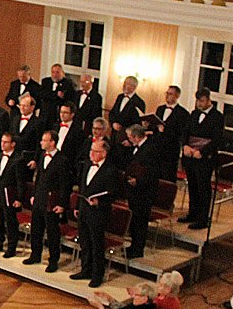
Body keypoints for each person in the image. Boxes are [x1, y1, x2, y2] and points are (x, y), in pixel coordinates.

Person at [71, 140, 119, 287]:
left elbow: (114, 194)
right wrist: (77, 206)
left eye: (95, 151)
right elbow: (82, 188)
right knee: (85, 243)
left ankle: (97, 275)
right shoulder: (86, 165)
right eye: (91, 150)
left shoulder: (111, 170)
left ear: (104, 153)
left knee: (97, 245)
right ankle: (85, 269)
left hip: (98, 213)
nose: (91, 153)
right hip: (84, 210)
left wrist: (99, 202)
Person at [179, 87, 224, 230]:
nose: (199, 104)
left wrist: (202, 152)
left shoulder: (218, 116)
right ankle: (192, 213)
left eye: (202, 101)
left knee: (203, 187)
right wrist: (185, 145)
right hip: (190, 156)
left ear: (209, 100)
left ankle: (203, 218)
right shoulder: (194, 114)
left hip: (205, 158)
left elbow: (217, 139)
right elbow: (185, 132)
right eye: (198, 101)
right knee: (192, 185)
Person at [27, 130, 70, 272]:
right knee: (36, 229)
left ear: (52, 142)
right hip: (39, 198)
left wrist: (62, 204)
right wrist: (34, 194)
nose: (41, 142)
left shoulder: (62, 160)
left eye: (44, 140)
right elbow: (38, 177)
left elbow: (65, 185)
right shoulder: (41, 156)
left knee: (52, 232)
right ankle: (35, 255)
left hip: (52, 201)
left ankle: (53, 260)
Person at [0, 133, 24, 258]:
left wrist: (19, 198)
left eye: (6, 142)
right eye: (2, 141)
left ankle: (11, 247)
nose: (2, 144)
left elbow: (20, 181)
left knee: (11, 222)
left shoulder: (18, 160)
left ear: (13, 144)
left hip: (9, 195)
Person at [124, 124, 159, 258]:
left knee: (140, 221)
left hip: (144, 192)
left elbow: (153, 172)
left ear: (136, 137)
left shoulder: (150, 149)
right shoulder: (138, 147)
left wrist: (138, 181)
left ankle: (138, 249)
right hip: (135, 191)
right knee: (134, 219)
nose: (129, 140)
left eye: (130, 137)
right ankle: (133, 246)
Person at [151, 85, 189, 182]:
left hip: (170, 151)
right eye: (167, 93)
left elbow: (181, 133)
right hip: (156, 148)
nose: (167, 95)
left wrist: (165, 130)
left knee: (167, 177)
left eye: (170, 94)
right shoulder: (160, 109)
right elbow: (154, 127)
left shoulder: (183, 113)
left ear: (177, 96)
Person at [109, 76, 145, 141]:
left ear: (134, 87)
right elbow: (112, 113)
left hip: (127, 138)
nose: (124, 85)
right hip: (114, 135)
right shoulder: (120, 97)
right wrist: (113, 123)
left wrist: (130, 141)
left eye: (127, 84)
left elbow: (137, 124)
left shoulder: (139, 102)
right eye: (124, 83)